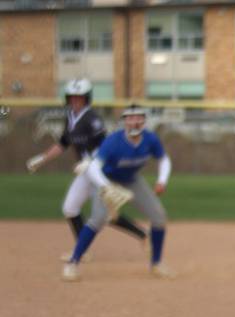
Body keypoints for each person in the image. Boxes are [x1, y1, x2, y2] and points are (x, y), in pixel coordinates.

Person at [26, 78, 147, 260]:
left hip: (98, 170)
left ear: (87, 98)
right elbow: (63, 143)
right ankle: (82, 251)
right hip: (84, 173)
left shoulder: (93, 119)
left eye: (79, 97)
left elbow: (105, 146)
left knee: (106, 215)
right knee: (70, 208)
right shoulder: (70, 117)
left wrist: (90, 161)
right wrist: (43, 158)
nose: (75, 100)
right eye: (72, 97)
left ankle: (144, 235)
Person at [62, 104, 173, 281]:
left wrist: (162, 181)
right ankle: (72, 264)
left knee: (159, 217)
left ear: (144, 120)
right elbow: (94, 168)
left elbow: (164, 159)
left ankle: (156, 264)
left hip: (132, 180)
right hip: (107, 180)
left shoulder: (150, 139)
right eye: (130, 118)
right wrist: (106, 187)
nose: (135, 122)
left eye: (138, 117)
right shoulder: (114, 141)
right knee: (98, 219)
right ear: (124, 122)